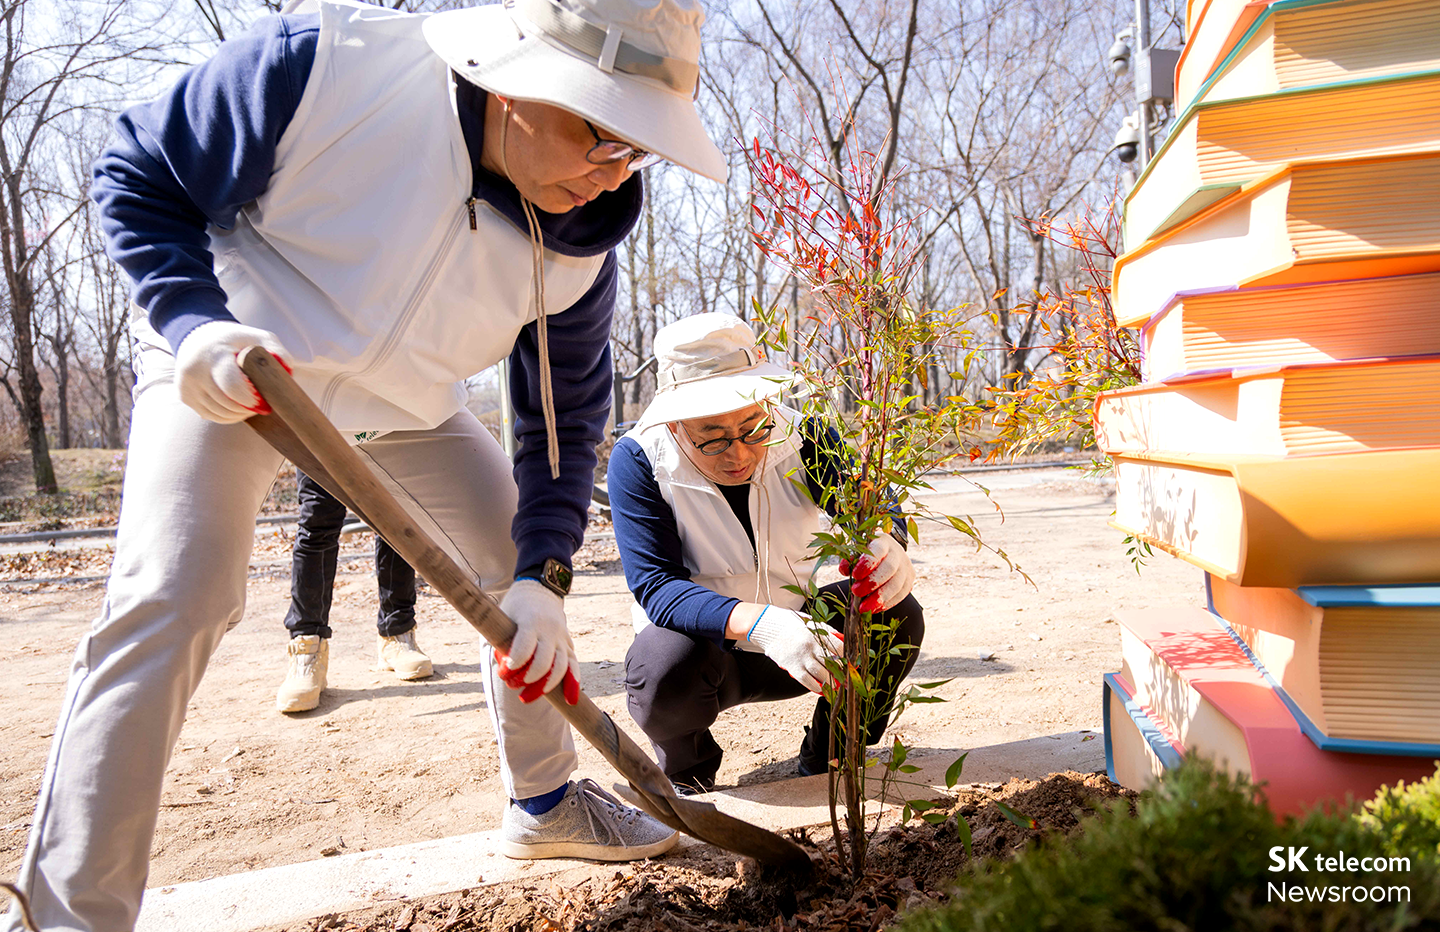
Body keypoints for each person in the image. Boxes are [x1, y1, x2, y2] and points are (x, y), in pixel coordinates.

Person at [6, 0, 727, 928]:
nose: (613, 170)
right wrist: (190, 320)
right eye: (601, 131)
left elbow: (561, 424)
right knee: (178, 593)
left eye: (637, 147)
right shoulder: (326, 67)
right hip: (242, 369)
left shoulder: (580, 245)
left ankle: (544, 805)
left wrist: (541, 576)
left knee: (513, 563)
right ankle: (68, 912)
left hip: (409, 412)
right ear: (518, 78)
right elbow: (140, 169)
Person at [607, 314, 925, 795]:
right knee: (661, 666)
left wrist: (887, 542)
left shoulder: (804, 436)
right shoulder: (639, 460)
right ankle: (687, 772)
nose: (738, 454)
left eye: (753, 427)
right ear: (674, 423)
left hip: (805, 636)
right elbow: (658, 587)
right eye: (711, 436)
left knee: (897, 614)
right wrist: (765, 625)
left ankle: (833, 753)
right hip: (705, 649)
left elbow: (870, 508)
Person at [276, 470, 430, 714]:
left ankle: (396, 632)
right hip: (318, 432)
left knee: (396, 516)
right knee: (317, 519)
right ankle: (306, 648)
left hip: (382, 433)